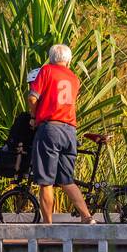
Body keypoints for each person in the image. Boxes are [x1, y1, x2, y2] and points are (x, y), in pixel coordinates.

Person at [28, 44, 96, 224]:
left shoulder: (46, 70)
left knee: (46, 181)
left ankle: (48, 224)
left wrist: (34, 117)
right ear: (69, 60)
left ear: (51, 58)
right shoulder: (74, 78)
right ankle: (87, 217)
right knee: (67, 179)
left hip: (50, 128)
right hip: (69, 131)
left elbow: (32, 97)